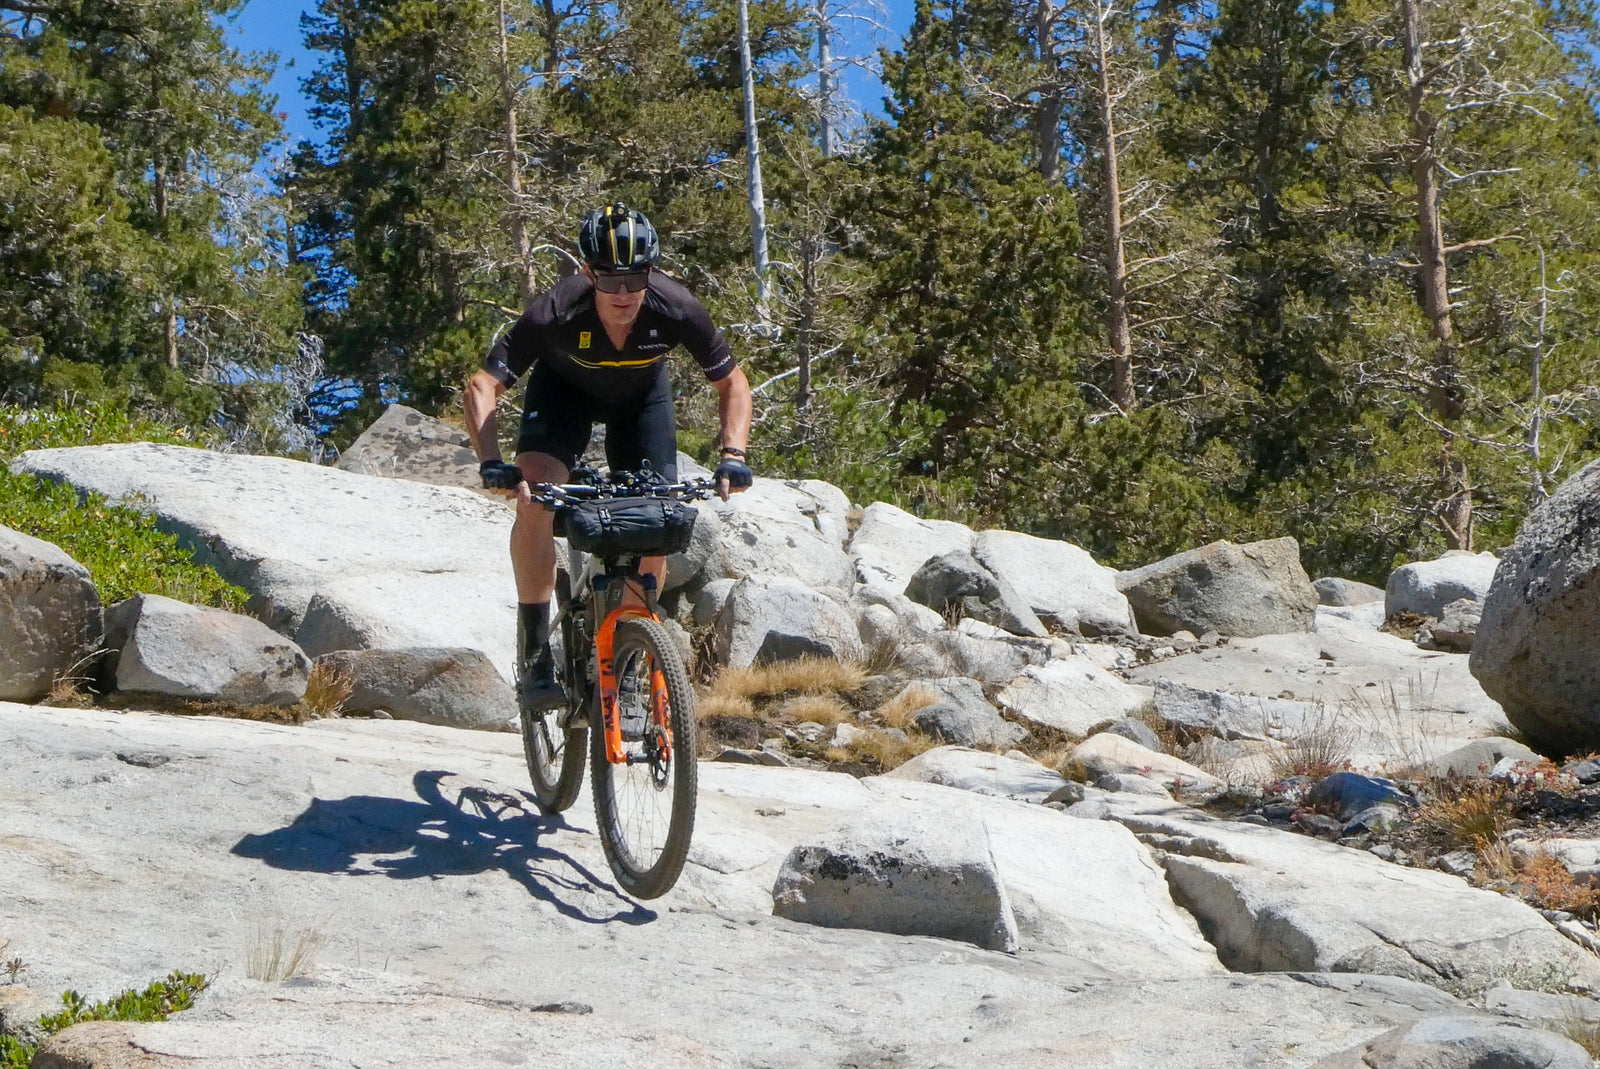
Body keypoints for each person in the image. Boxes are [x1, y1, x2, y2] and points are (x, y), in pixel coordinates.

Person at [464, 204, 754, 711]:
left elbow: (733, 383)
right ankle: (534, 653)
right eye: (608, 278)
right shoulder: (554, 311)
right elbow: (482, 385)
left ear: (653, 271)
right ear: (587, 272)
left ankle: (633, 660)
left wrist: (733, 454)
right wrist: (492, 462)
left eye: (635, 277)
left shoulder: (677, 308)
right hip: (562, 396)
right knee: (533, 496)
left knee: (657, 519)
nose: (622, 293)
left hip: (641, 402)